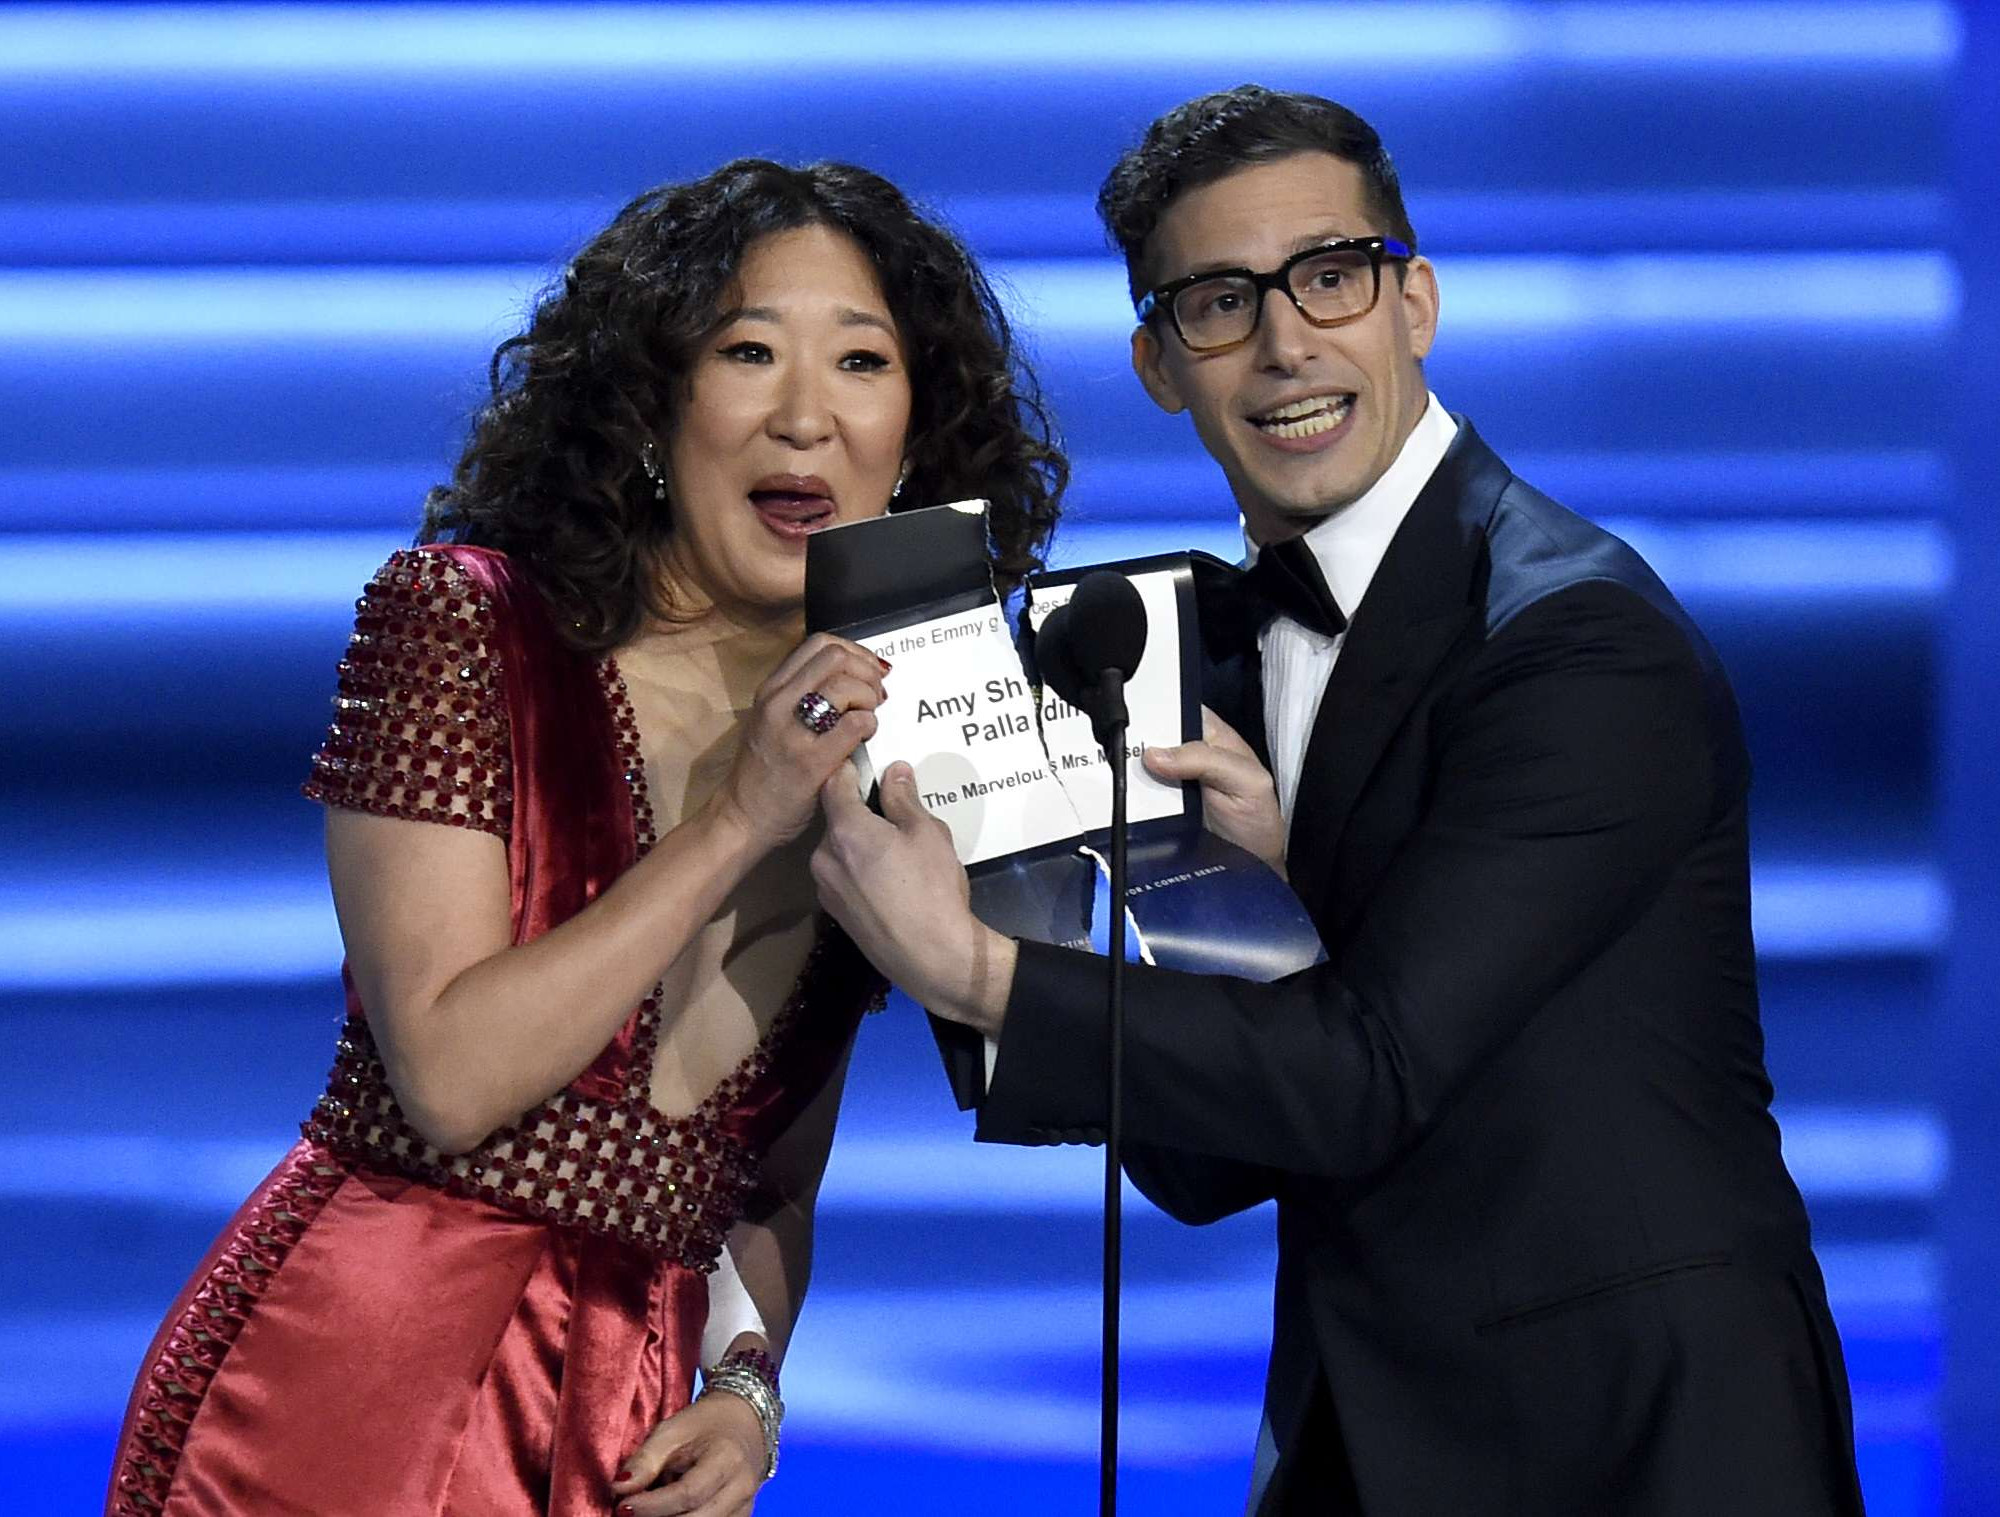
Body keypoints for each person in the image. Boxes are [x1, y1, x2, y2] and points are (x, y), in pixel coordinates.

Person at [812, 87, 1865, 1516]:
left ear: (1414, 303)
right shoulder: (1201, 655)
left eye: (1330, 276)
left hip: (1639, 1447)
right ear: (1158, 364)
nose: (1286, 341)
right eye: (1220, 302)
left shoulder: (1576, 642)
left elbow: (1365, 1076)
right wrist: (1032, 900)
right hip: (1366, 1434)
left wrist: (978, 970)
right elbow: (1206, 1158)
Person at [105, 158, 1063, 1517]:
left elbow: (768, 1191)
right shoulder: (462, 625)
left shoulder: (888, 748)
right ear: (651, 399)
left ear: (914, 433)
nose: (805, 416)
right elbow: (448, 1076)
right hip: (350, 1403)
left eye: (862, 362)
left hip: (622, 1436)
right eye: (747, 352)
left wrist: (747, 1392)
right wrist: (738, 820)